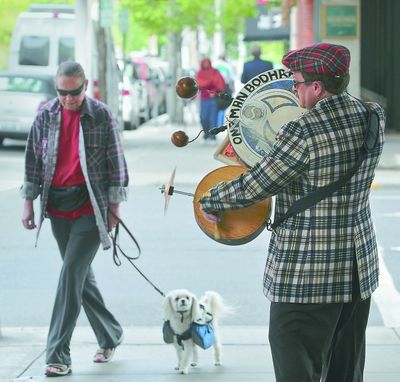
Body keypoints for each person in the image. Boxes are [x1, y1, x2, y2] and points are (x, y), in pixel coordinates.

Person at [199, 43, 385, 381]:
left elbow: (257, 184)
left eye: (296, 83)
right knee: (345, 367)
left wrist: (211, 199)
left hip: (310, 273)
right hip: (359, 270)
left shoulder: (303, 131)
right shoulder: (372, 115)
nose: (292, 89)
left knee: (293, 355)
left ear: (317, 87)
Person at [21, 61, 128, 377]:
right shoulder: (46, 114)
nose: (68, 98)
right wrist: (28, 202)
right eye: (62, 92)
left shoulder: (100, 115)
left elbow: (116, 164)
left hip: (90, 207)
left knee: (70, 273)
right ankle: (110, 335)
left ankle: (58, 354)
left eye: (74, 92)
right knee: (80, 277)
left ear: (85, 86)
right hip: (57, 207)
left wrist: (114, 208)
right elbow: (32, 160)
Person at [195, 57, 226, 141]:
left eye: (207, 62)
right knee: (203, 117)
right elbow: (196, 85)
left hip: (213, 98)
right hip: (203, 98)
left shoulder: (215, 72)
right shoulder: (199, 73)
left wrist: (214, 92)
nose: (206, 64)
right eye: (204, 62)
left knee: (213, 117)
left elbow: (220, 84)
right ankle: (206, 132)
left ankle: (212, 135)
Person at [214, 54, 236, 126]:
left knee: (215, 106)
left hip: (215, 88)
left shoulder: (214, 64)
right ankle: (220, 123)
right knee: (223, 106)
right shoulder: (227, 66)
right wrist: (232, 90)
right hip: (225, 88)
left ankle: (215, 123)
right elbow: (231, 80)